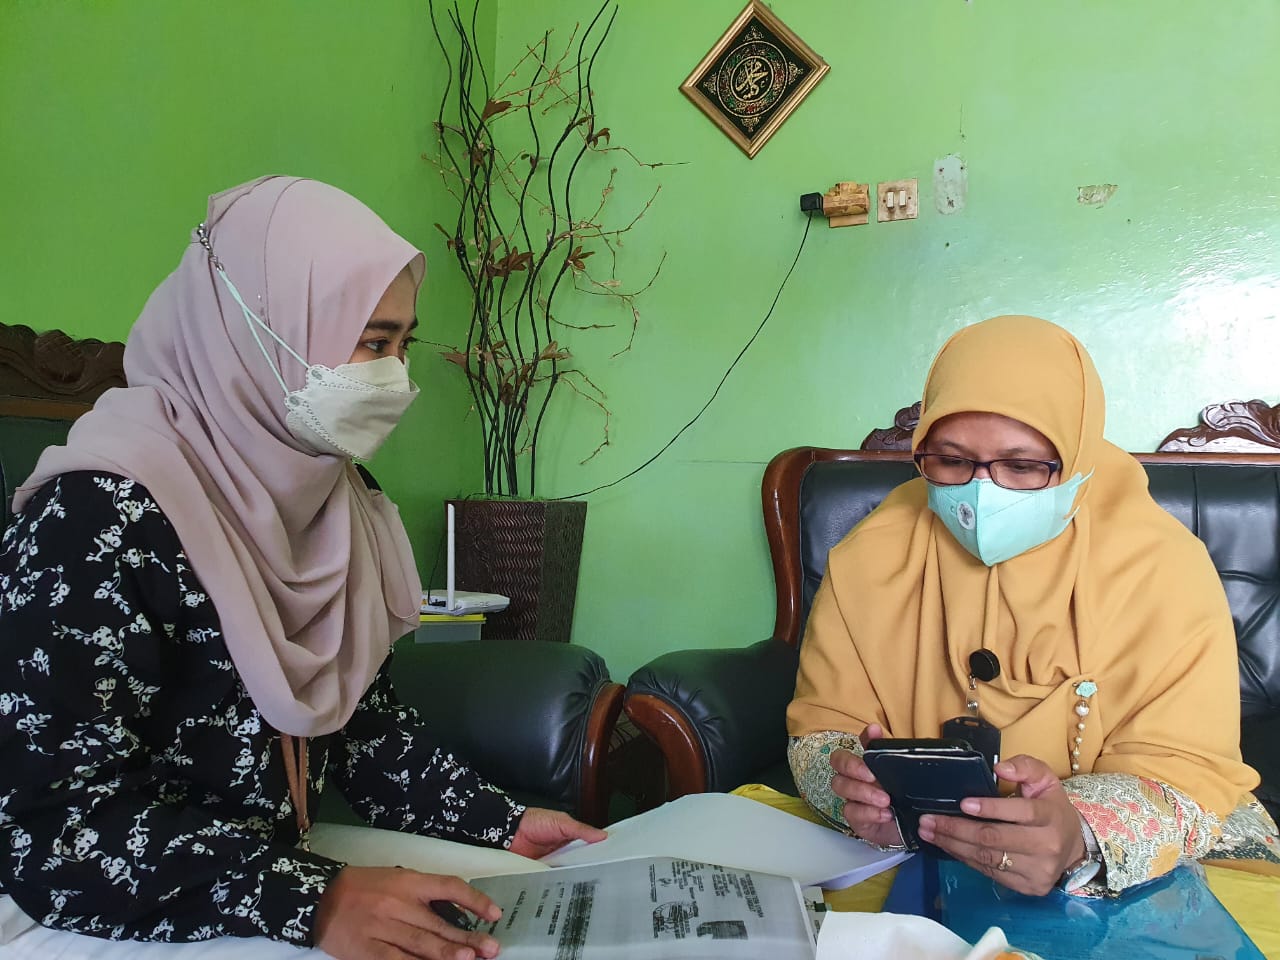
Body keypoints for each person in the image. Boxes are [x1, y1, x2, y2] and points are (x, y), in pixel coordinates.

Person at [0, 176, 604, 960]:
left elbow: (361, 728)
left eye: (403, 344)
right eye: (372, 342)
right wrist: (315, 901)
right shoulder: (95, 519)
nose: (394, 377)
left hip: (276, 878)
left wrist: (501, 825)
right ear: (257, 332)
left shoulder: (337, 501)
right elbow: (54, 831)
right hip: (94, 907)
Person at [787, 315, 1279, 897]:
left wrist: (1080, 835)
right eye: (951, 461)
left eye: (1022, 466)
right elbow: (822, 728)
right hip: (914, 850)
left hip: (1122, 879)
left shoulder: (1163, 567)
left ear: (1077, 455)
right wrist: (854, 791)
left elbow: (1187, 770)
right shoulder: (873, 554)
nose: (981, 491)